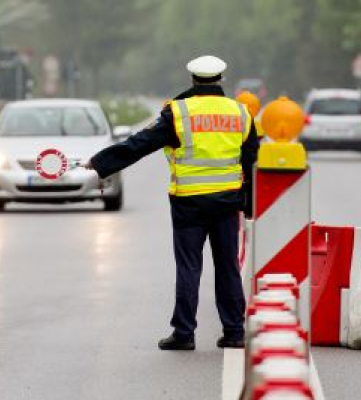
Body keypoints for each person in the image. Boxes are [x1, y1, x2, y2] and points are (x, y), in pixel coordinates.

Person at [84, 55, 259, 351]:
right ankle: (234, 332)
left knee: (189, 267)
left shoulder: (178, 112)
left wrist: (101, 162)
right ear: (221, 79)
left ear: (192, 80)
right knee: (228, 266)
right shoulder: (240, 113)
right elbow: (252, 160)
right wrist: (249, 204)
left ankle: (184, 333)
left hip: (189, 202)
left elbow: (140, 144)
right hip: (228, 202)